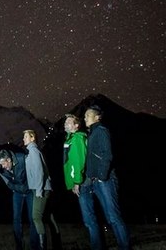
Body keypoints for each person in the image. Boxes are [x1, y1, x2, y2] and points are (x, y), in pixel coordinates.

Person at [79, 105, 131, 250]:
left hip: (105, 180)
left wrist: (101, 176)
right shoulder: (92, 132)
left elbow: (107, 155)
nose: (85, 118)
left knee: (113, 216)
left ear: (97, 117)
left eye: (87, 115)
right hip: (97, 181)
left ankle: (125, 246)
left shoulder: (101, 131)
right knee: (110, 217)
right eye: (85, 116)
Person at [23, 129, 61, 250]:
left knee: (36, 217)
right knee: (49, 217)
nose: (23, 139)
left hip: (40, 188)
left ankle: (42, 247)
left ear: (32, 138)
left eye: (26, 136)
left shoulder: (33, 151)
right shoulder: (33, 151)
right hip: (43, 187)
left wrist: (39, 190)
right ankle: (57, 245)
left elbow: (39, 172)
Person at [0, 149, 39, 250]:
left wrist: (29, 187)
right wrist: (18, 188)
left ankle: (35, 246)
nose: (3, 167)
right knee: (16, 219)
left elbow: (33, 171)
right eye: (1, 164)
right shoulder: (0, 168)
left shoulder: (22, 158)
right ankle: (19, 246)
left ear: (9, 160)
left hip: (29, 191)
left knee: (32, 218)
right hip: (17, 192)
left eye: (4, 164)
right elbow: (8, 183)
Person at [63, 114, 87, 196]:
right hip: (77, 178)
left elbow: (78, 160)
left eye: (69, 122)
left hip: (80, 180)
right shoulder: (70, 139)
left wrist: (77, 181)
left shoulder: (77, 138)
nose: (65, 123)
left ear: (76, 125)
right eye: (65, 122)